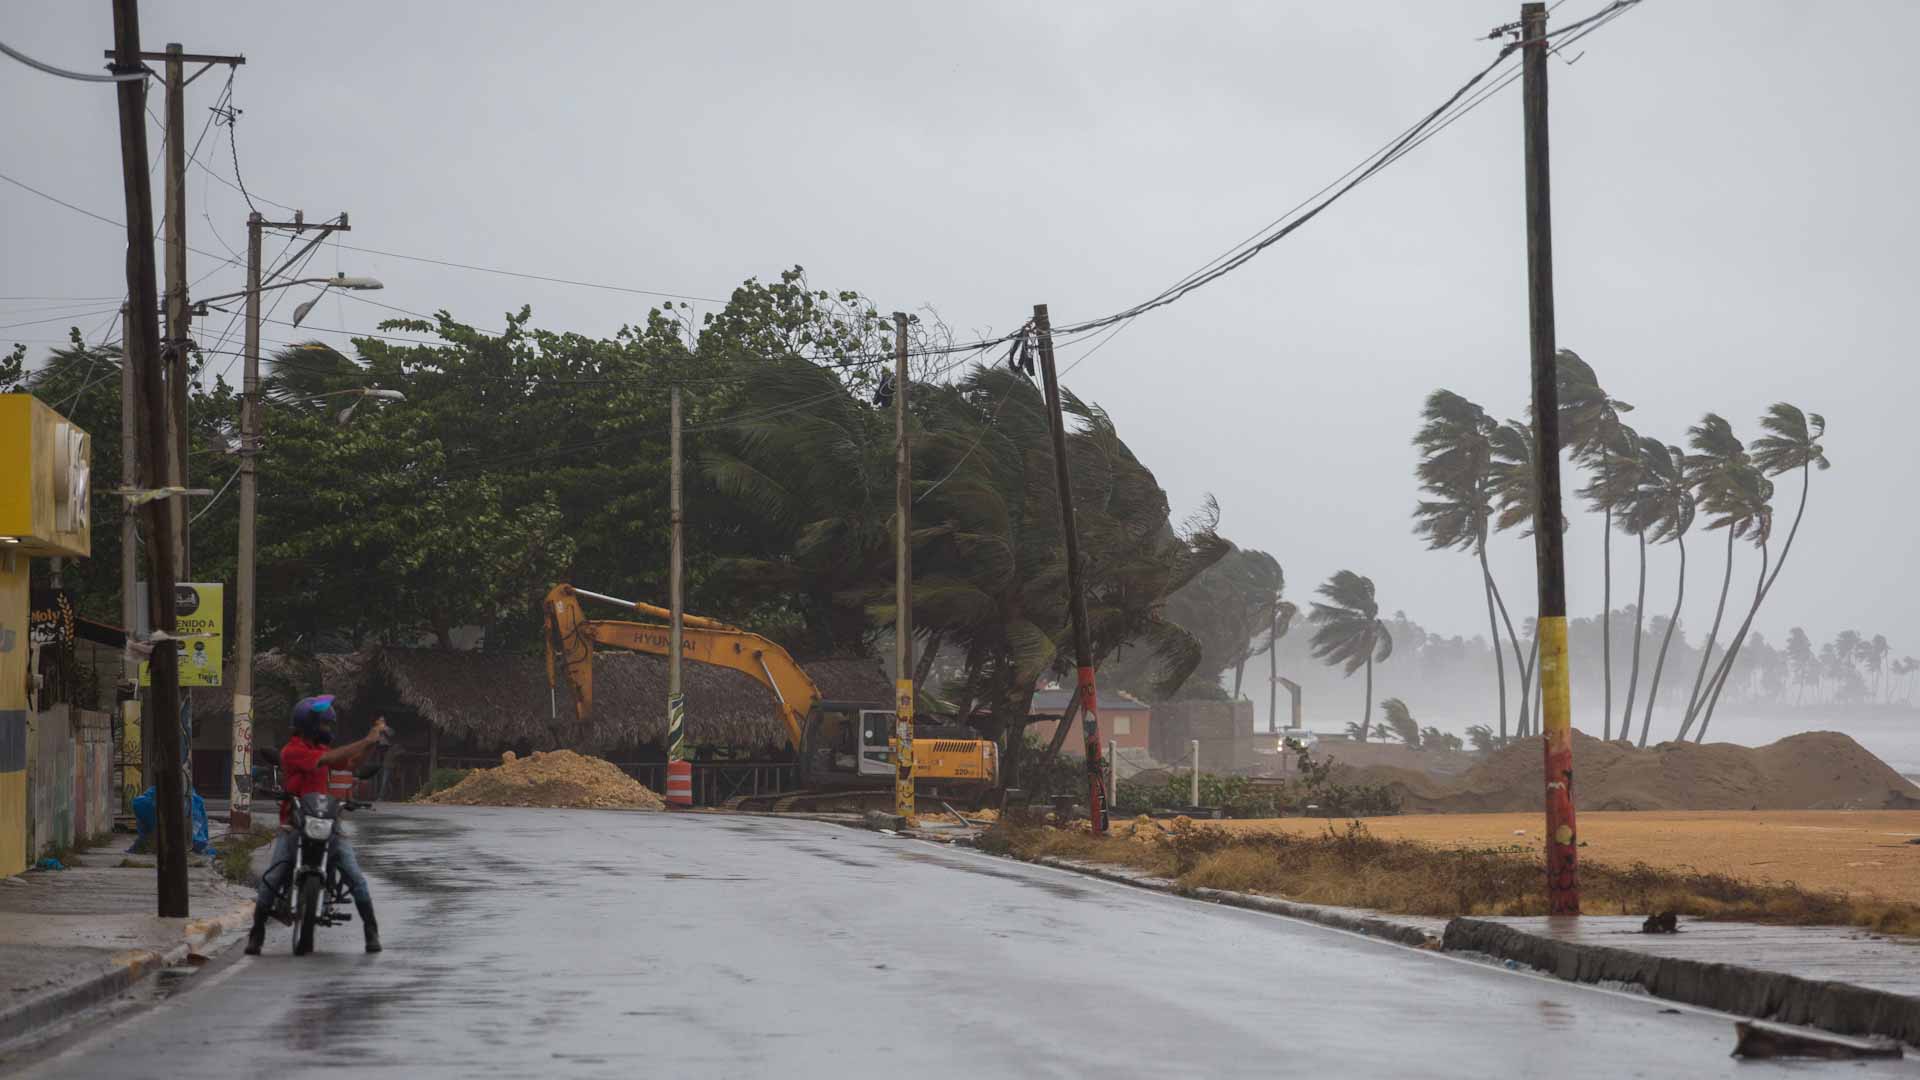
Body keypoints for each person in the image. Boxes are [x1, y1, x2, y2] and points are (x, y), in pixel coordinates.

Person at [245, 696, 390, 955]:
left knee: (355, 877)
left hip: (327, 822)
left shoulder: (321, 751)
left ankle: (371, 930)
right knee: (272, 879)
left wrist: (372, 743)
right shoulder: (293, 751)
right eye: (325, 725)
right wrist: (366, 739)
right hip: (294, 824)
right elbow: (330, 759)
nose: (329, 730)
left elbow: (351, 762)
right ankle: (257, 934)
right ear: (310, 725)